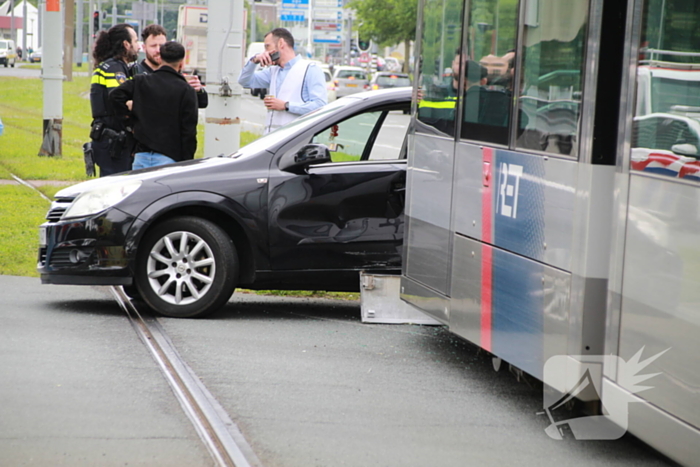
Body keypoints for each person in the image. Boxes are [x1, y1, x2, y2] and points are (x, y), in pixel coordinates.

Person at [109, 41, 199, 170]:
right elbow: (189, 132)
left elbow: (115, 96)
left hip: (141, 156)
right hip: (170, 157)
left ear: (160, 58)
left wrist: (129, 122)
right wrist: (186, 162)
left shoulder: (141, 81)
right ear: (181, 62)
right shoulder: (186, 91)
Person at [238, 28, 327, 134]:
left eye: (267, 47)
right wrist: (254, 60)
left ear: (281, 43)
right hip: (271, 139)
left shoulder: (310, 69)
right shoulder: (272, 71)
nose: (265, 52)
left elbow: (320, 106)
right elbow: (244, 81)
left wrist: (286, 105)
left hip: (296, 139)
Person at [89, 23, 140, 176]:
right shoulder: (114, 69)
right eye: (136, 41)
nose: (138, 46)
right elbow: (118, 98)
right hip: (113, 142)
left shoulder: (112, 66)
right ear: (126, 44)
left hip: (109, 140)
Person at [132, 23, 208, 109]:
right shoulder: (136, 73)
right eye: (153, 46)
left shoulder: (175, 74)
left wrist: (198, 90)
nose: (158, 50)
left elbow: (202, 103)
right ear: (144, 48)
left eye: (161, 46)